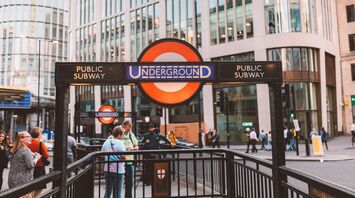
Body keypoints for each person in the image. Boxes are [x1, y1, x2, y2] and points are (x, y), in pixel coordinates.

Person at [8, 131, 41, 197]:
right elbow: (31, 165)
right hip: (23, 182)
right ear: (21, 139)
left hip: (12, 181)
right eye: (27, 137)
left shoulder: (15, 149)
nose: (30, 138)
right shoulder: (26, 150)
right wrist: (37, 158)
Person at [102, 126, 126, 198]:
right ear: (118, 134)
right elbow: (124, 156)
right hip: (118, 170)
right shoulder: (120, 143)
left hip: (107, 169)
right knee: (118, 192)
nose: (122, 136)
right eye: (122, 134)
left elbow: (101, 153)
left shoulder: (106, 142)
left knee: (108, 191)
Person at [28, 127, 49, 196]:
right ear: (39, 134)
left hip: (29, 166)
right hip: (39, 167)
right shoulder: (40, 144)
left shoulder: (27, 143)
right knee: (40, 186)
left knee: (30, 186)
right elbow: (46, 155)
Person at [120, 120, 139, 198]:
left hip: (130, 162)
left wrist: (135, 148)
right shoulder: (119, 133)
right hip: (120, 163)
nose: (130, 128)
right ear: (124, 126)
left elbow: (136, 145)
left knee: (130, 183)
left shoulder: (131, 134)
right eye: (129, 126)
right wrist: (125, 148)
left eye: (131, 126)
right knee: (119, 183)